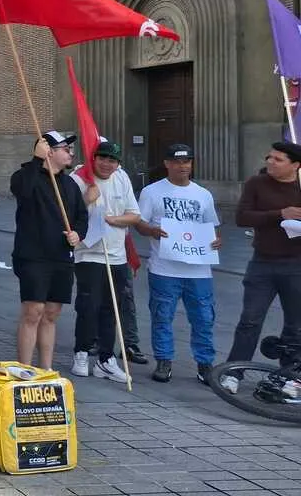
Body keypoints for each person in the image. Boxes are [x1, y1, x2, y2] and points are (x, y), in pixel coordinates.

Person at [134, 144, 221, 384]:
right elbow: (139, 224)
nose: (183, 166)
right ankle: (164, 361)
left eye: (187, 162)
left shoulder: (203, 194)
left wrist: (215, 242)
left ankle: (205, 363)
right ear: (167, 164)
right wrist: (151, 230)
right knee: (162, 315)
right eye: (177, 162)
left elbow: (212, 228)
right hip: (164, 268)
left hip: (199, 269)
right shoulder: (152, 192)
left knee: (204, 317)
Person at [224, 141, 301, 394]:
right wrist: (281, 214)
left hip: (296, 264)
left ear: (295, 165)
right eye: (270, 157)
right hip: (263, 262)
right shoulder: (256, 183)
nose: (270, 162)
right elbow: (242, 217)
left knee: (295, 324)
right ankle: (233, 372)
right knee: (250, 320)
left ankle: (289, 376)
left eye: (278, 160)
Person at [10, 131, 88, 370]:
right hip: (33, 255)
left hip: (61, 256)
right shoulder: (25, 175)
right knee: (33, 311)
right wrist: (36, 161)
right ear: (49, 152)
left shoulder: (70, 184)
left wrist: (78, 234)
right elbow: (22, 192)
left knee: (51, 312)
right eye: (66, 148)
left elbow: (81, 217)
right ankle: (25, 368)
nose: (71, 153)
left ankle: (46, 368)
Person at [67, 140, 137, 384]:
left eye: (112, 160)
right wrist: (86, 199)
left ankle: (106, 360)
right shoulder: (78, 178)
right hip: (88, 252)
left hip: (116, 254)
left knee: (113, 307)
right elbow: (66, 214)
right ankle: (82, 353)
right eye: (102, 158)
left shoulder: (122, 178)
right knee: (89, 304)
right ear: (93, 158)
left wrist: (113, 220)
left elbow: (133, 215)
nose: (107, 164)